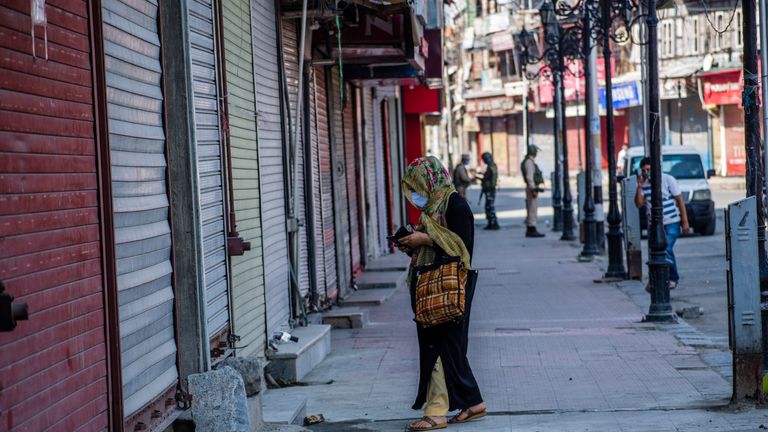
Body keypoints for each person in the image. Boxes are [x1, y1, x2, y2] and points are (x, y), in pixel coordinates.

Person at [397, 156, 486, 431]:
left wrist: (425, 239)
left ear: (431, 180)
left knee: (439, 347)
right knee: (449, 348)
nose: (415, 193)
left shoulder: (455, 204)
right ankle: (472, 404)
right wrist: (413, 247)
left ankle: (436, 411)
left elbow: (463, 248)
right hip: (432, 286)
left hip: (450, 286)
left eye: (418, 185)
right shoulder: (432, 211)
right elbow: (439, 246)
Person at [634, 157, 689, 290]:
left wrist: (685, 221)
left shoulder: (667, 179)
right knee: (656, 252)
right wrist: (639, 186)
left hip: (671, 221)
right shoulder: (644, 183)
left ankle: (673, 278)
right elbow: (638, 204)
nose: (646, 173)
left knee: (665, 248)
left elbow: (679, 200)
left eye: (649, 169)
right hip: (654, 224)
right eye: (644, 170)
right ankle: (659, 279)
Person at [521, 145, 545, 238]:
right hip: (532, 189)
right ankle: (531, 229)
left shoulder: (529, 161)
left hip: (532, 188)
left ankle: (531, 228)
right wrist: (533, 189)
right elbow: (529, 177)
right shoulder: (529, 162)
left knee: (532, 208)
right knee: (532, 209)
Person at [480, 152, 499, 230]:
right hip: (490, 189)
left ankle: (493, 223)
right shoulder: (493, 166)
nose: (484, 161)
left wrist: (480, 177)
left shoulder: (490, 167)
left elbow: (487, 177)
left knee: (489, 207)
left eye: (484, 159)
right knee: (489, 206)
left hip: (489, 190)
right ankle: (492, 223)